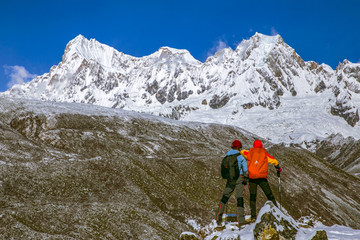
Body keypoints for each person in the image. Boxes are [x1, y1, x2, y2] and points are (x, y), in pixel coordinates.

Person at [243, 140, 282, 221]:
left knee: (253, 197)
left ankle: (253, 216)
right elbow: (274, 161)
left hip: (252, 178)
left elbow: (243, 152)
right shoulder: (264, 153)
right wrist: (278, 168)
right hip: (262, 178)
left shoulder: (249, 152)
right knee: (269, 195)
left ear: (254, 145)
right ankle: (277, 212)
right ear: (261, 145)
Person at [215, 140, 249, 227]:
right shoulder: (240, 156)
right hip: (239, 178)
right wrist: (246, 177)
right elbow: (245, 168)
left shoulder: (227, 155)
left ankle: (218, 218)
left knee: (225, 198)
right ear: (239, 147)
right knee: (239, 198)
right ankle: (241, 221)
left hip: (230, 179)